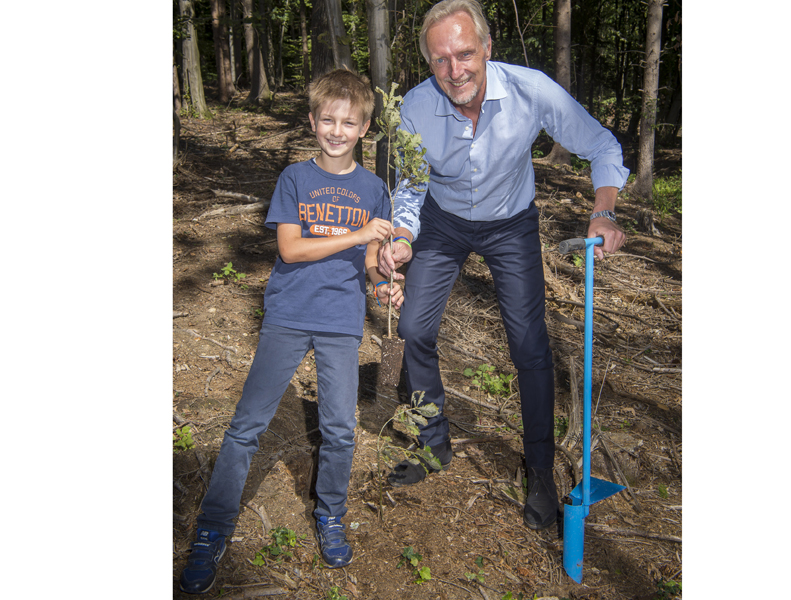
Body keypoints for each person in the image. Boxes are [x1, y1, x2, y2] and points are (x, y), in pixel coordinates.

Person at [377, 0, 629, 531]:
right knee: (416, 329)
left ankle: (538, 468)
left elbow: (601, 144)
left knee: (529, 346)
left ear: (487, 48)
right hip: (442, 220)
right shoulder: (416, 108)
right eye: (441, 59)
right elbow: (411, 186)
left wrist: (603, 211)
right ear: (428, 62)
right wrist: (401, 234)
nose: (455, 70)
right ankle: (433, 443)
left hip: (511, 223)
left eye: (465, 53)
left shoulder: (530, 91)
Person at [179, 69, 403, 594]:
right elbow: (291, 249)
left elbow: (370, 265)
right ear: (312, 121)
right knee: (246, 427)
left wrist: (385, 285)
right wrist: (359, 233)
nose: (337, 129)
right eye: (327, 119)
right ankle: (214, 529)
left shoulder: (375, 190)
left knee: (341, 428)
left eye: (349, 122)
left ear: (365, 128)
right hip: (287, 315)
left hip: (341, 323)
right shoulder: (295, 179)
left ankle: (330, 514)